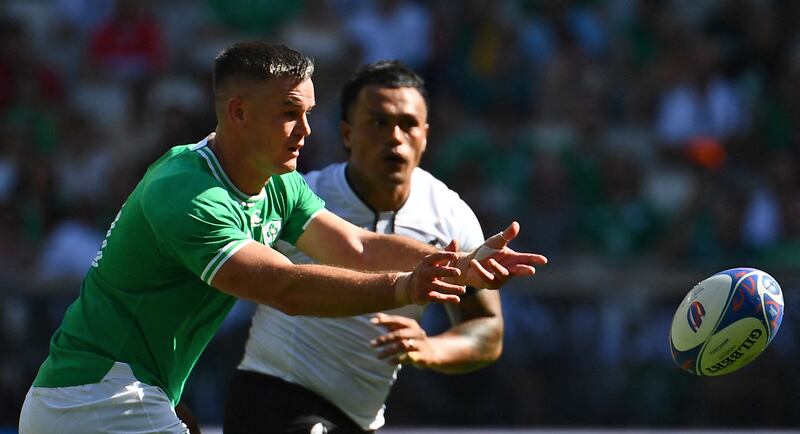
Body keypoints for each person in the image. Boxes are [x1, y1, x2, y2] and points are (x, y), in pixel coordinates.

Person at [18, 42, 546, 434]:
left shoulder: (277, 182)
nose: (306, 130)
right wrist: (406, 287)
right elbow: (286, 288)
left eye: (308, 114)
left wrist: (457, 263)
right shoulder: (189, 194)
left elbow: (356, 247)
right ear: (238, 113)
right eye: (289, 114)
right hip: (95, 400)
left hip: (120, 397)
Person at [223, 60, 515, 433]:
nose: (394, 137)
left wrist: (432, 349)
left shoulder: (450, 217)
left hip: (360, 419)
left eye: (408, 124)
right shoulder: (301, 197)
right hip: (273, 394)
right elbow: (217, 274)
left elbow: (487, 328)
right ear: (346, 133)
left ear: (425, 135)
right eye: (378, 122)